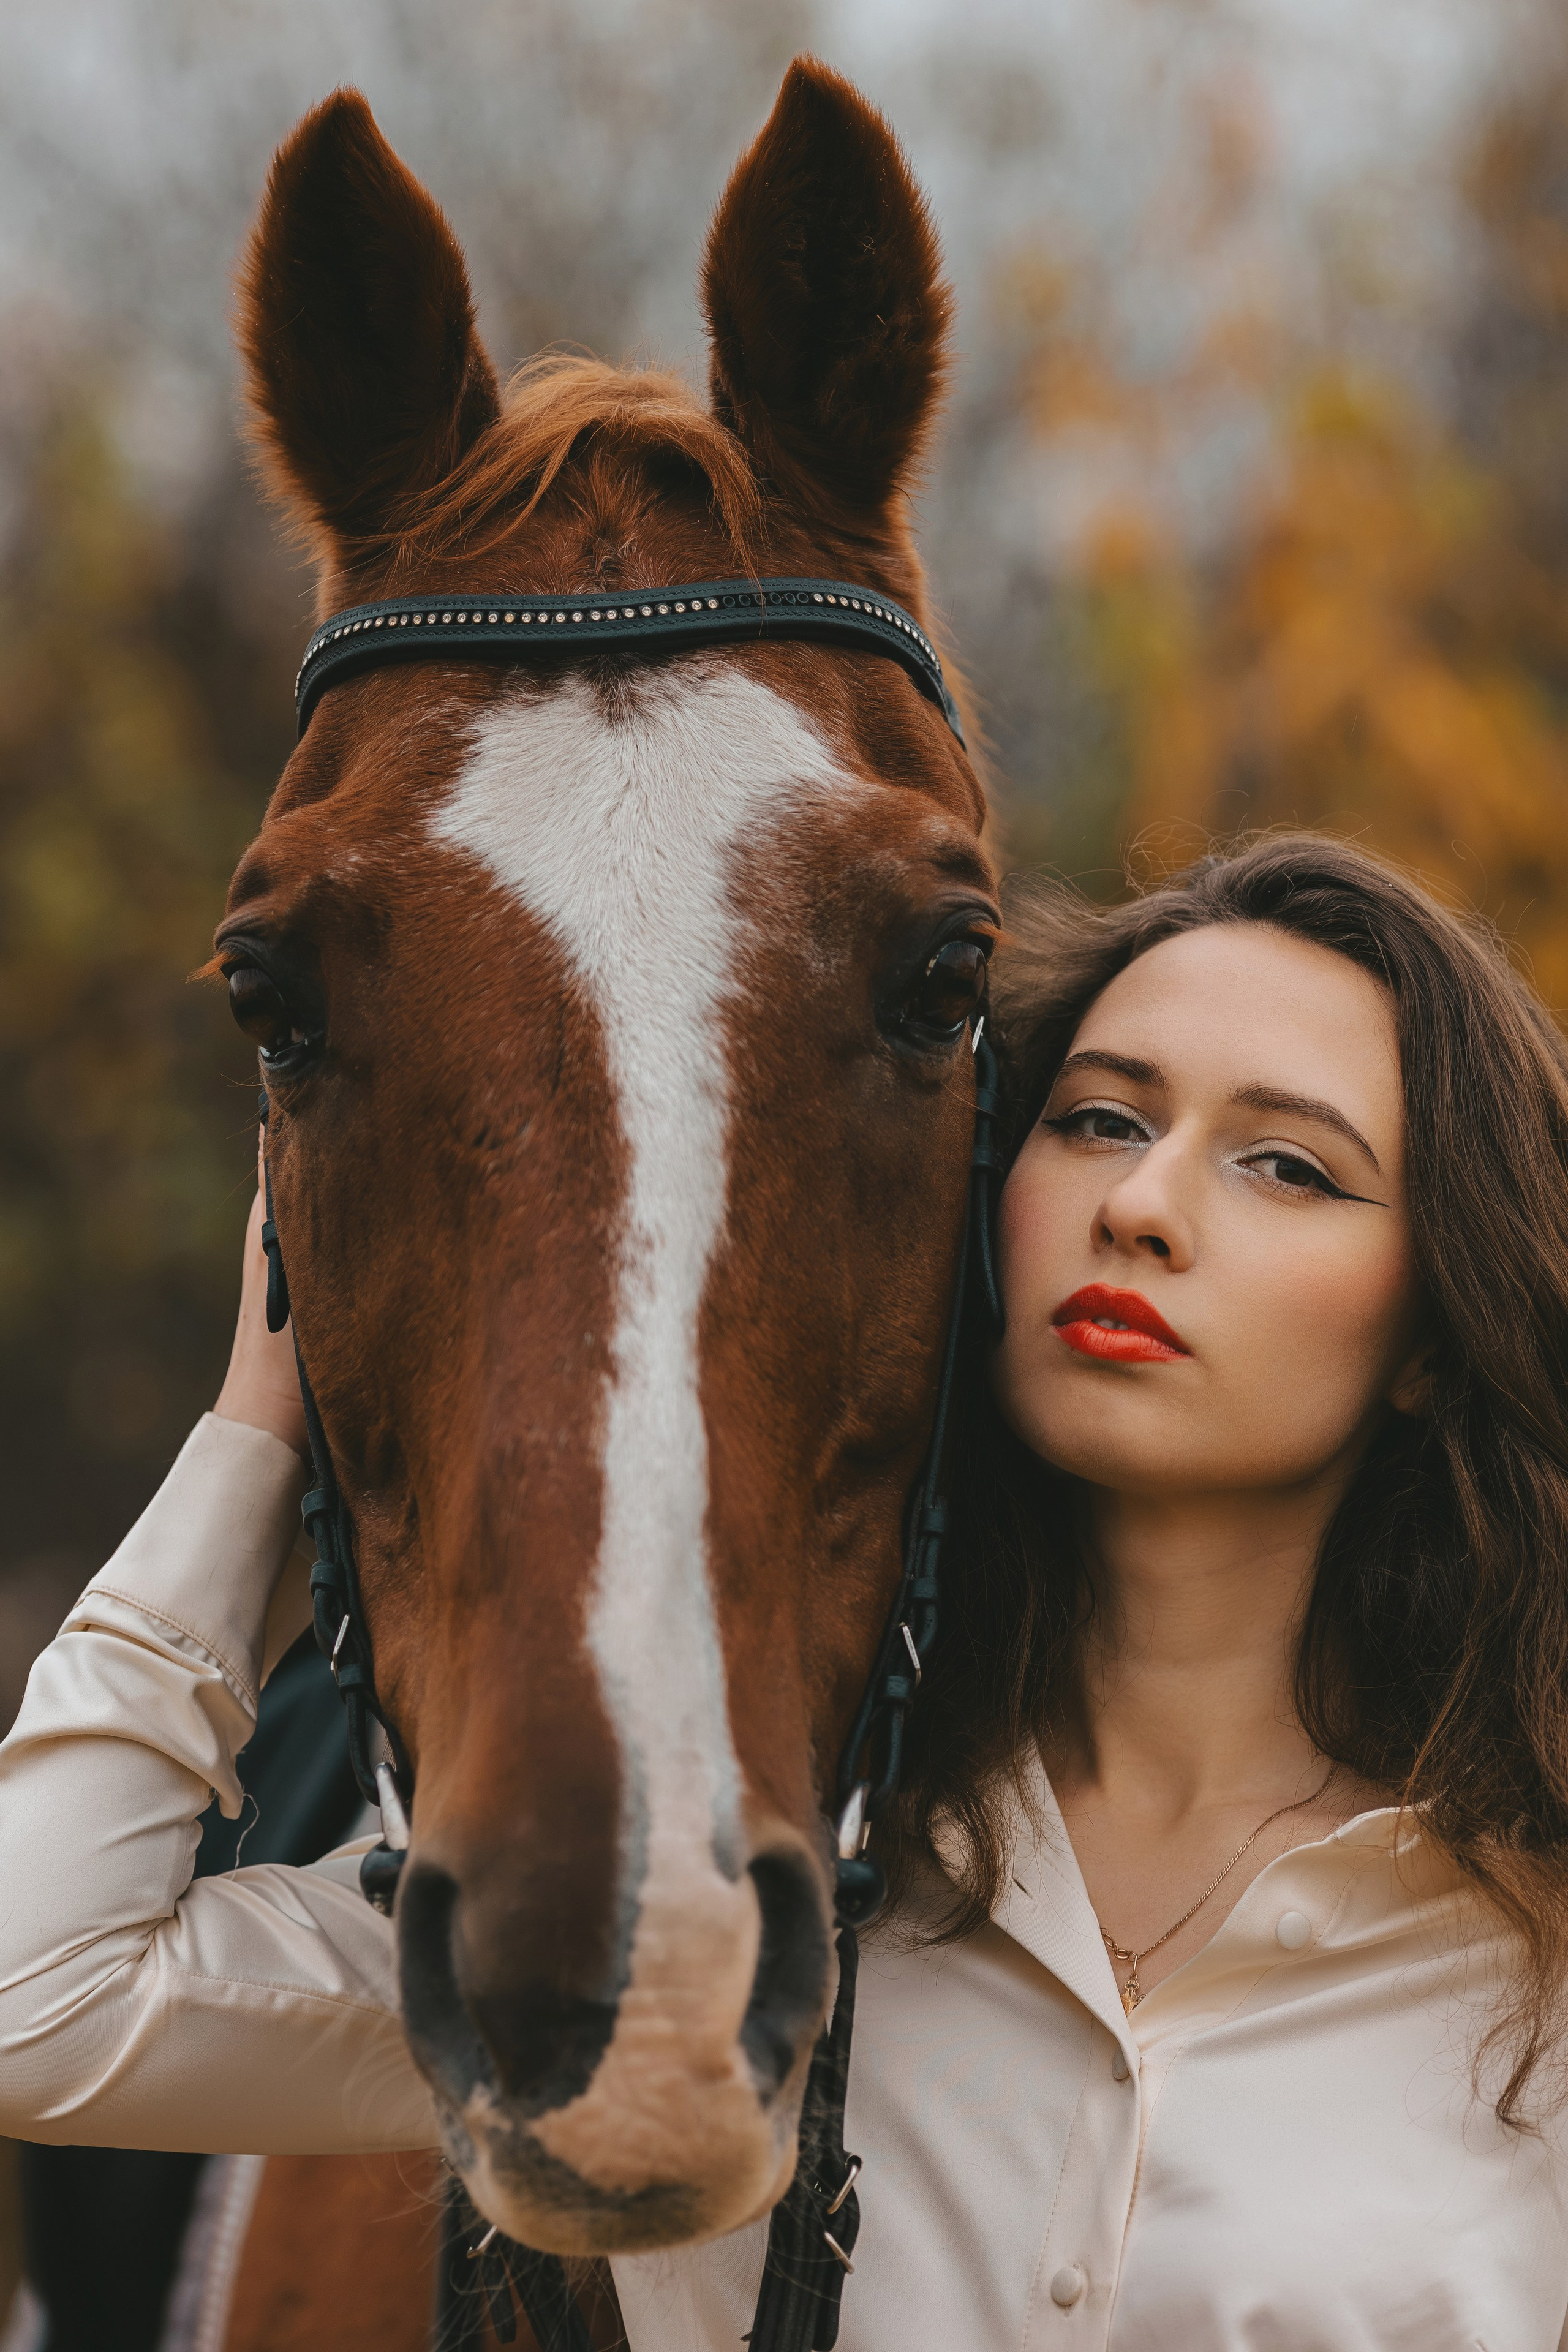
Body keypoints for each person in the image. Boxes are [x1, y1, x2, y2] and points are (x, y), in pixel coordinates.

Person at [2, 830, 1567, 2349]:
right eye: (1098, 1119)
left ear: (1435, 1328)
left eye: (1285, 1166)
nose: (1141, 1205)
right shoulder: (723, 1862)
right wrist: (266, 1419)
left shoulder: (1527, 1970)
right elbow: (42, 2002)